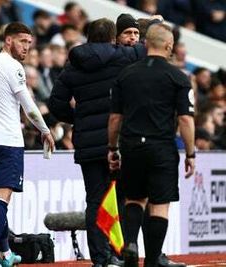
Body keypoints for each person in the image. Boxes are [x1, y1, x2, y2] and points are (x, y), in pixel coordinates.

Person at [48, 18, 146, 267]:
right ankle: (122, 253)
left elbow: (56, 104)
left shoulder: (74, 65)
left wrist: (79, 119)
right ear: (114, 36)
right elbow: (146, 47)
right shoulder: (124, 56)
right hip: (119, 142)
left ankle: (101, 259)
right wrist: (152, 23)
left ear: (88, 37)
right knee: (122, 197)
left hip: (88, 143)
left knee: (95, 200)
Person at [0, 22, 55, 267]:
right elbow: (27, 103)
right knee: (1, 200)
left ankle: (5, 253)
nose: (27, 47)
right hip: (6, 139)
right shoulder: (13, 66)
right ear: (8, 41)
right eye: (22, 41)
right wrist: (44, 129)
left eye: (29, 42)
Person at [108, 23, 195, 267]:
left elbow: (115, 118)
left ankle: (131, 243)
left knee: (134, 199)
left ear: (146, 44)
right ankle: (153, 259)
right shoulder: (178, 77)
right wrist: (191, 153)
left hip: (131, 145)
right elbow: (186, 119)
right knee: (159, 204)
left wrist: (112, 149)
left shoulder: (125, 75)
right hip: (161, 147)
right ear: (169, 46)